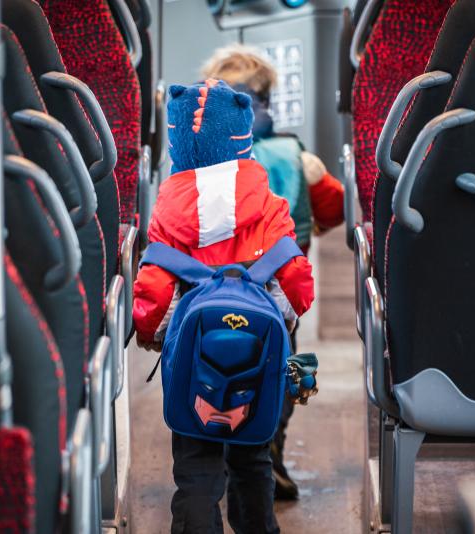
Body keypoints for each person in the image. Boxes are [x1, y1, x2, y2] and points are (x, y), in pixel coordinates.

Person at [133, 79, 315, 533]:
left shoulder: (166, 213)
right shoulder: (269, 206)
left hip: (193, 366)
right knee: (253, 465)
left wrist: (154, 337)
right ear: (242, 136)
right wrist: (285, 314)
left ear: (178, 141)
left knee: (195, 474)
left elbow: (153, 293)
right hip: (256, 365)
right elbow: (297, 283)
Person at [201, 43, 345, 499]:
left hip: (209, 299)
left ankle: (214, 452)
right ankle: (269, 451)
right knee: (280, 376)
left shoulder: (198, 164)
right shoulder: (296, 157)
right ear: (267, 103)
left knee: (211, 372)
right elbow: (335, 209)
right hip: (279, 303)